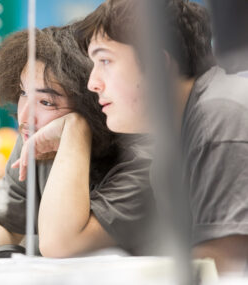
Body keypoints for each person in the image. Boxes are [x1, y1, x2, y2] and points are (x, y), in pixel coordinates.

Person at [0, 23, 154, 257]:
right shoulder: (35, 140)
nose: (24, 117)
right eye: (23, 93)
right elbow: (6, 225)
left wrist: (76, 127)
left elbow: (61, 244)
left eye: (46, 102)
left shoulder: (142, 162)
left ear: (93, 102)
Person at [75, 0, 248, 273]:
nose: (92, 82)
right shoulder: (173, 145)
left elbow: (224, 265)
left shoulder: (220, 116)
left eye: (105, 60)